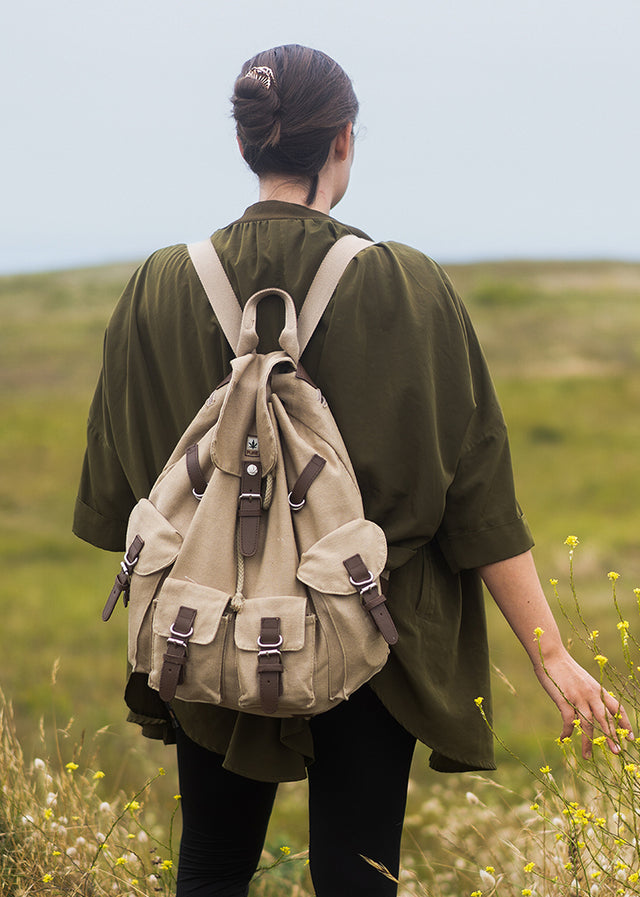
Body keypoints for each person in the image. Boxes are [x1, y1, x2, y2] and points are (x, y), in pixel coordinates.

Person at [73, 44, 633, 897]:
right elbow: (478, 493)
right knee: (358, 873)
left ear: (244, 145)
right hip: (374, 629)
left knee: (212, 867)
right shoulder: (409, 287)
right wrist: (551, 654)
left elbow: (117, 496)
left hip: (206, 618)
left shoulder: (156, 285)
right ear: (343, 140)